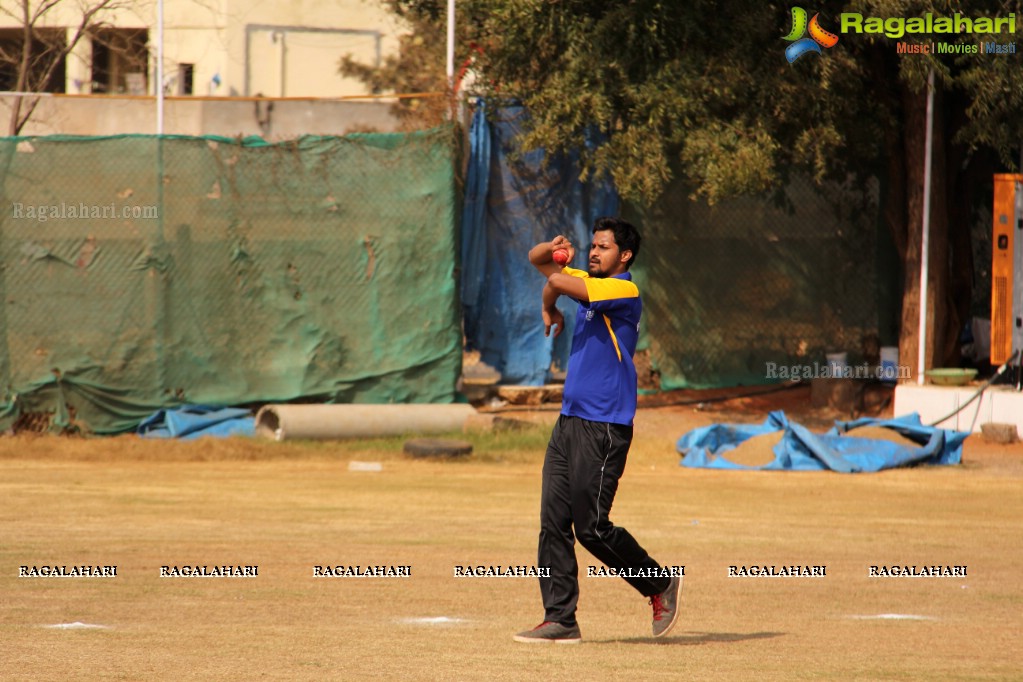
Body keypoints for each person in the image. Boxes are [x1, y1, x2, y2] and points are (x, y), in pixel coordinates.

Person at [513, 217, 682, 644]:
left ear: (624, 256)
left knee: (591, 528)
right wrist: (550, 287)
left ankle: (659, 584)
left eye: (603, 247)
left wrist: (554, 286)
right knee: (553, 523)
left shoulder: (623, 290)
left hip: (604, 426)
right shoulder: (587, 281)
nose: (593, 252)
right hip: (569, 421)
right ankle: (560, 619)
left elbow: (572, 285)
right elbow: (537, 261)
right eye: (592, 245)